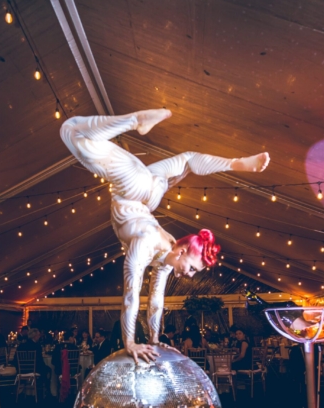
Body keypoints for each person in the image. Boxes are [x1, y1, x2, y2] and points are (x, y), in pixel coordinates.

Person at [60, 109, 269, 363]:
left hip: (149, 194)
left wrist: (154, 339)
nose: (190, 275)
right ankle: (136, 121)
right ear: (181, 251)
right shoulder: (146, 242)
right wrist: (129, 342)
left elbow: (156, 301)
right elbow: (131, 294)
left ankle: (237, 163)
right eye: (192, 268)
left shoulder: (165, 257)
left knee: (187, 160)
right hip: (133, 189)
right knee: (70, 130)